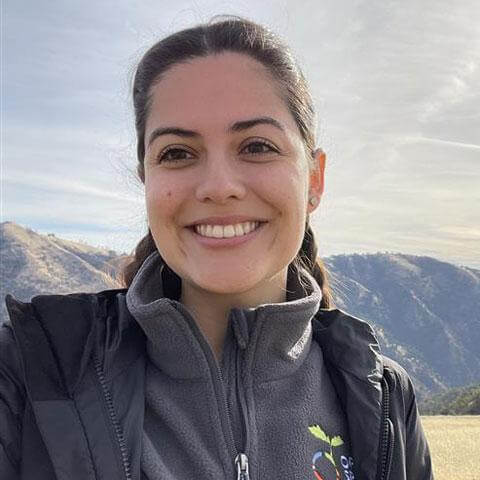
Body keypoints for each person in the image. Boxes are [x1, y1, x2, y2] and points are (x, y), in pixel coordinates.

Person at [0, 16, 433, 480]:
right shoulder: (28, 376)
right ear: (147, 180)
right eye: (178, 153)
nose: (219, 186)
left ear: (314, 178)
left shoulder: (383, 397)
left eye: (257, 146)